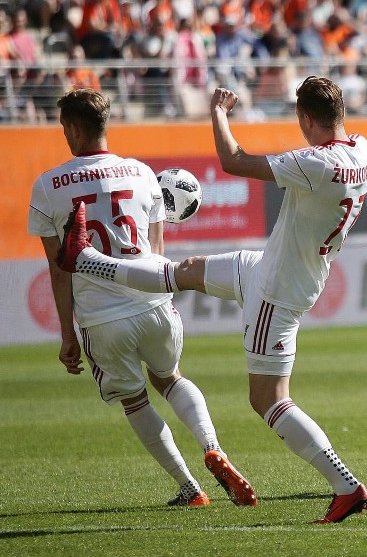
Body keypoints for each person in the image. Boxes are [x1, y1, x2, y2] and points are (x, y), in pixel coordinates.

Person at [56, 76, 367, 524]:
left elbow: (233, 160)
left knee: (267, 399)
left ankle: (346, 486)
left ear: (304, 118)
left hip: (276, 290)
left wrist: (219, 113)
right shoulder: (362, 150)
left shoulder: (316, 163)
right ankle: (86, 258)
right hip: (268, 267)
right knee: (181, 273)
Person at [27, 88, 256, 508]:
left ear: (74, 128)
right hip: (154, 305)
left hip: (102, 318)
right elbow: (157, 252)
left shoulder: (46, 187)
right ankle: (212, 445)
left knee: (134, 400)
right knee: (171, 379)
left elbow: (60, 271)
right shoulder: (142, 173)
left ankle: (191, 489)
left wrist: (66, 334)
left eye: (63, 126)